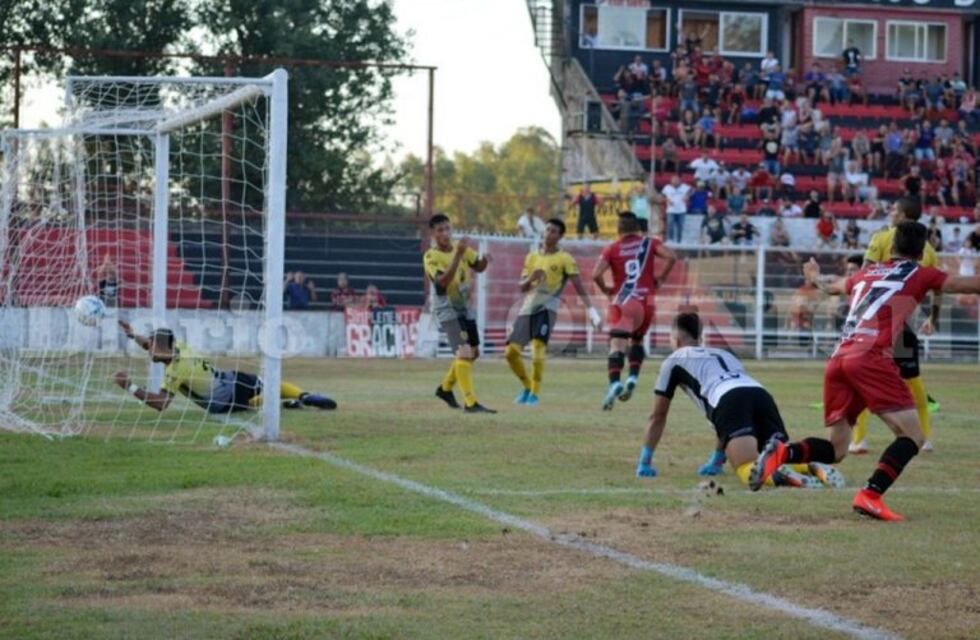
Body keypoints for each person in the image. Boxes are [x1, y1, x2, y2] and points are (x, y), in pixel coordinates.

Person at [753, 222, 980, 520]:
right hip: (871, 358)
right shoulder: (921, 273)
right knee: (913, 436)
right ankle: (870, 495)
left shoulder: (866, 273)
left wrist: (813, 276)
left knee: (837, 449)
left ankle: (783, 453)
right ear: (922, 250)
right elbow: (968, 284)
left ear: (893, 245)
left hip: (839, 358)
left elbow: (831, 286)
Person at [636, 312, 845, 489]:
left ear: (676, 340)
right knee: (775, 455)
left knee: (747, 467)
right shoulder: (726, 355)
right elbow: (722, 421)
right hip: (760, 394)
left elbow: (658, 416)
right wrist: (717, 460)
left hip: (729, 399)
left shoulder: (673, 360)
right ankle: (812, 467)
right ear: (699, 336)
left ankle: (788, 478)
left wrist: (645, 461)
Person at [855, 197, 941, 452]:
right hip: (902, 325)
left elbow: (863, 276)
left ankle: (858, 440)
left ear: (902, 215)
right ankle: (924, 438)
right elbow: (938, 290)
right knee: (913, 381)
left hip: (875, 325)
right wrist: (933, 319)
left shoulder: (882, 238)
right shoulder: (929, 249)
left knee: (862, 379)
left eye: (892, 209)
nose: (890, 212)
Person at [112, 322, 336, 413]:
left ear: (160, 348)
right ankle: (303, 396)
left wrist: (129, 386)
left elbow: (161, 404)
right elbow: (150, 344)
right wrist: (133, 335)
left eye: (151, 348)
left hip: (222, 398)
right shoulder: (179, 346)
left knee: (253, 401)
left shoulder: (175, 372)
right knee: (268, 385)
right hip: (227, 383)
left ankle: (292, 402)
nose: (148, 350)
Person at [505, 218, 600, 406]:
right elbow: (522, 287)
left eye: (554, 231)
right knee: (511, 353)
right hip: (527, 309)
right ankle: (526, 386)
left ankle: (534, 394)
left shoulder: (565, 259)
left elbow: (579, 285)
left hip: (548, 308)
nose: (549, 233)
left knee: (538, 347)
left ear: (560, 236)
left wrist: (592, 310)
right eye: (547, 229)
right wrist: (531, 278)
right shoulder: (532, 257)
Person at [592, 212, 677, 411]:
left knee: (617, 347)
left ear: (619, 229)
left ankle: (614, 384)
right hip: (646, 302)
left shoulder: (612, 249)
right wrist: (660, 278)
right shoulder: (650, 243)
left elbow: (596, 274)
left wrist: (606, 290)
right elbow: (672, 256)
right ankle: (632, 377)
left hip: (623, 302)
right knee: (637, 341)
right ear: (637, 228)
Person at [423, 214, 495, 413]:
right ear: (433, 234)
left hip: (464, 307)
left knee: (473, 353)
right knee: (463, 353)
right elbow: (442, 282)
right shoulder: (431, 256)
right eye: (440, 230)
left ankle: (445, 388)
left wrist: (485, 260)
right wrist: (458, 255)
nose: (446, 233)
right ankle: (471, 403)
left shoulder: (461, 248)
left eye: (448, 228)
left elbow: (478, 267)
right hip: (447, 309)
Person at [661, 175, 691, 244]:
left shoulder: (684, 187)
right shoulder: (667, 187)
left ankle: (679, 241)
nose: (675, 181)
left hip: (681, 210)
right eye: (674, 180)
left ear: (679, 181)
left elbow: (692, 190)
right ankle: (670, 240)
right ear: (671, 181)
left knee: (680, 226)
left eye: (677, 180)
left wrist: (687, 196)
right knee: (670, 225)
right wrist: (667, 200)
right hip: (671, 210)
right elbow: (662, 195)